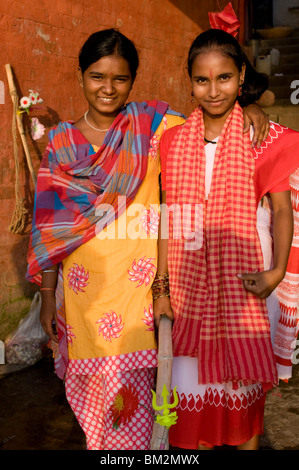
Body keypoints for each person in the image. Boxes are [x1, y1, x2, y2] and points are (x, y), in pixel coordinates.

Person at [26, 28, 271, 451]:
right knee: (98, 407)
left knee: (150, 402)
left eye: (120, 79)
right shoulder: (61, 142)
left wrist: (247, 107)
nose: (108, 88)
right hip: (87, 297)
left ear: (133, 81)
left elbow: (212, 113)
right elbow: (51, 225)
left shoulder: (153, 127)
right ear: (81, 75)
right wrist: (48, 294)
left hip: (142, 294)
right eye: (97, 76)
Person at [155, 27, 299, 450]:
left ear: (240, 76)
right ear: (190, 82)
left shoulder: (263, 139)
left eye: (223, 78)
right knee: (189, 413)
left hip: (246, 287)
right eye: (202, 79)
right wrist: (161, 286)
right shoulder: (173, 140)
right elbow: (170, 217)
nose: (213, 89)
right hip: (186, 290)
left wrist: (274, 273)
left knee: (243, 418)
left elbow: (281, 210)